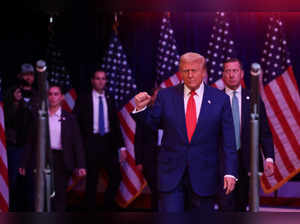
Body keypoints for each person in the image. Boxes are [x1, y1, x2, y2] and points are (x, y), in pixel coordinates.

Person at [133, 52, 238, 212]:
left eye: (194, 70)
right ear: (180, 72)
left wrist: (230, 172)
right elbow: (151, 125)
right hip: (171, 175)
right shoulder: (165, 96)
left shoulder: (220, 99)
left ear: (203, 72)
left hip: (204, 176)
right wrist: (141, 108)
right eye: (185, 71)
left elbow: (228, 140)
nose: (189, 75)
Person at [218, 58, 275, 212]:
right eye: (228, 71)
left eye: (235, 71)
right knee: (225, 207)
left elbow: (264, 132)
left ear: (242, 74)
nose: (231, 75)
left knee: (244, 209)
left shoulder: (253, 99)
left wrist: (268, 158)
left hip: (248, 164)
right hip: (223, 164)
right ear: (223, 75)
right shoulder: (215, 99)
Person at [19, 85, 86, 211]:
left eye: (56, 94)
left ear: (61, 98)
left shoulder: (70, 118)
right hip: (41, 159)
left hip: (62, 160)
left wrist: (81, 165)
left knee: (59, 196)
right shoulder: (38, 117)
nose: (53, 97)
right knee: (40, 196)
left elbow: (77, 143)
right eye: (50, 94)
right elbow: (30, 142)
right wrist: (24, 162)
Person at [73, 70, 127, 211]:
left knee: (116, 176)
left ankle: (108, 204)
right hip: (91, 143)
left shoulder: (110, 97)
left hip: (108, 143)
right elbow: (75, 123)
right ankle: (90, 207)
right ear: (92, 80)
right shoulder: (83, 98)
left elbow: (115, 124)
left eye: (103, 79)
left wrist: (121, 147)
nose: (101, 81)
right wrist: (79, 145)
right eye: (98, 78)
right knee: (92, 179)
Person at [3, 85, 32, 211]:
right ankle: (11, 205)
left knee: (25, 178)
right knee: (12, 178)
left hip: (23, 147)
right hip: (10, 147)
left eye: (21, 92)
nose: (19, 94)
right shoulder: (6, 108)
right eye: (17, 92)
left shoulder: (25, 108)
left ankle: (22, 206)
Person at [134, 87, 161, 211]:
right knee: (156, 189)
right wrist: (139, 160)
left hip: (168, 159)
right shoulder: (146, 114)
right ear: (153, 97)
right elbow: (138, 138)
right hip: (149, 159)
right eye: (157, 95)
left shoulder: (173, 114)